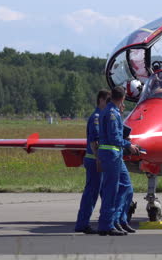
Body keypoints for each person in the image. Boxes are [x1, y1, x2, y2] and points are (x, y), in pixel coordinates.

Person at [98, 86, 140, 236]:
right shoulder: (112, 114)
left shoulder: (112, 112)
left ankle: (119, 220)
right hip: (111, 154)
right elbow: (114, 138)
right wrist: (129, 145)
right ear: (122, 99)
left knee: (127, 187)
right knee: (111, 190)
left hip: (115, 154)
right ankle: (106, 226)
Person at [74, 89, 111, 234]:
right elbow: (95, 142)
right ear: (101, 100)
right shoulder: (96, 117)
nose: (109, 104)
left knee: (99, 192)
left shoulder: (101, 116)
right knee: (91, 193)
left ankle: (103, 221)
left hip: (97, 159)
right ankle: (82, 224)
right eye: (107, 101)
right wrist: (98, 159)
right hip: (94, 160)